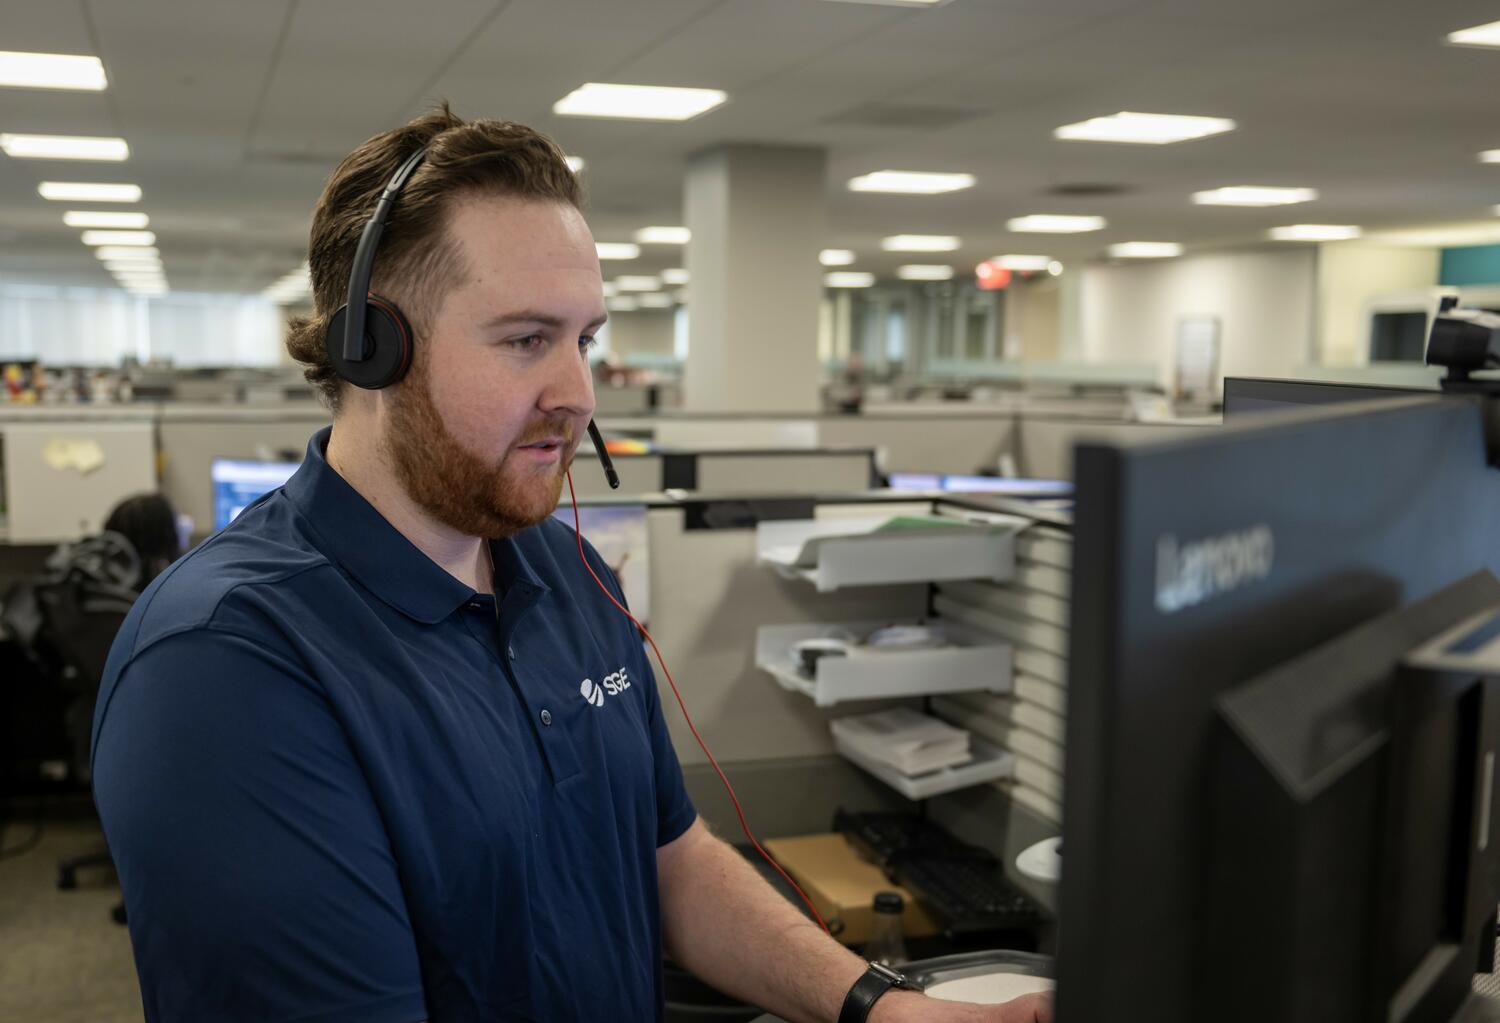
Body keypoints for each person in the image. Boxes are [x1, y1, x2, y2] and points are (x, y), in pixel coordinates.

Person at [90, 105, 1052, 1023]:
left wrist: (875, 1002)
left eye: (585, 338)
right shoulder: (223, 666)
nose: (580, 393)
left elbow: (670, 858)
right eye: (527, 340)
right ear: (371, 346)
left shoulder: (567, 571)